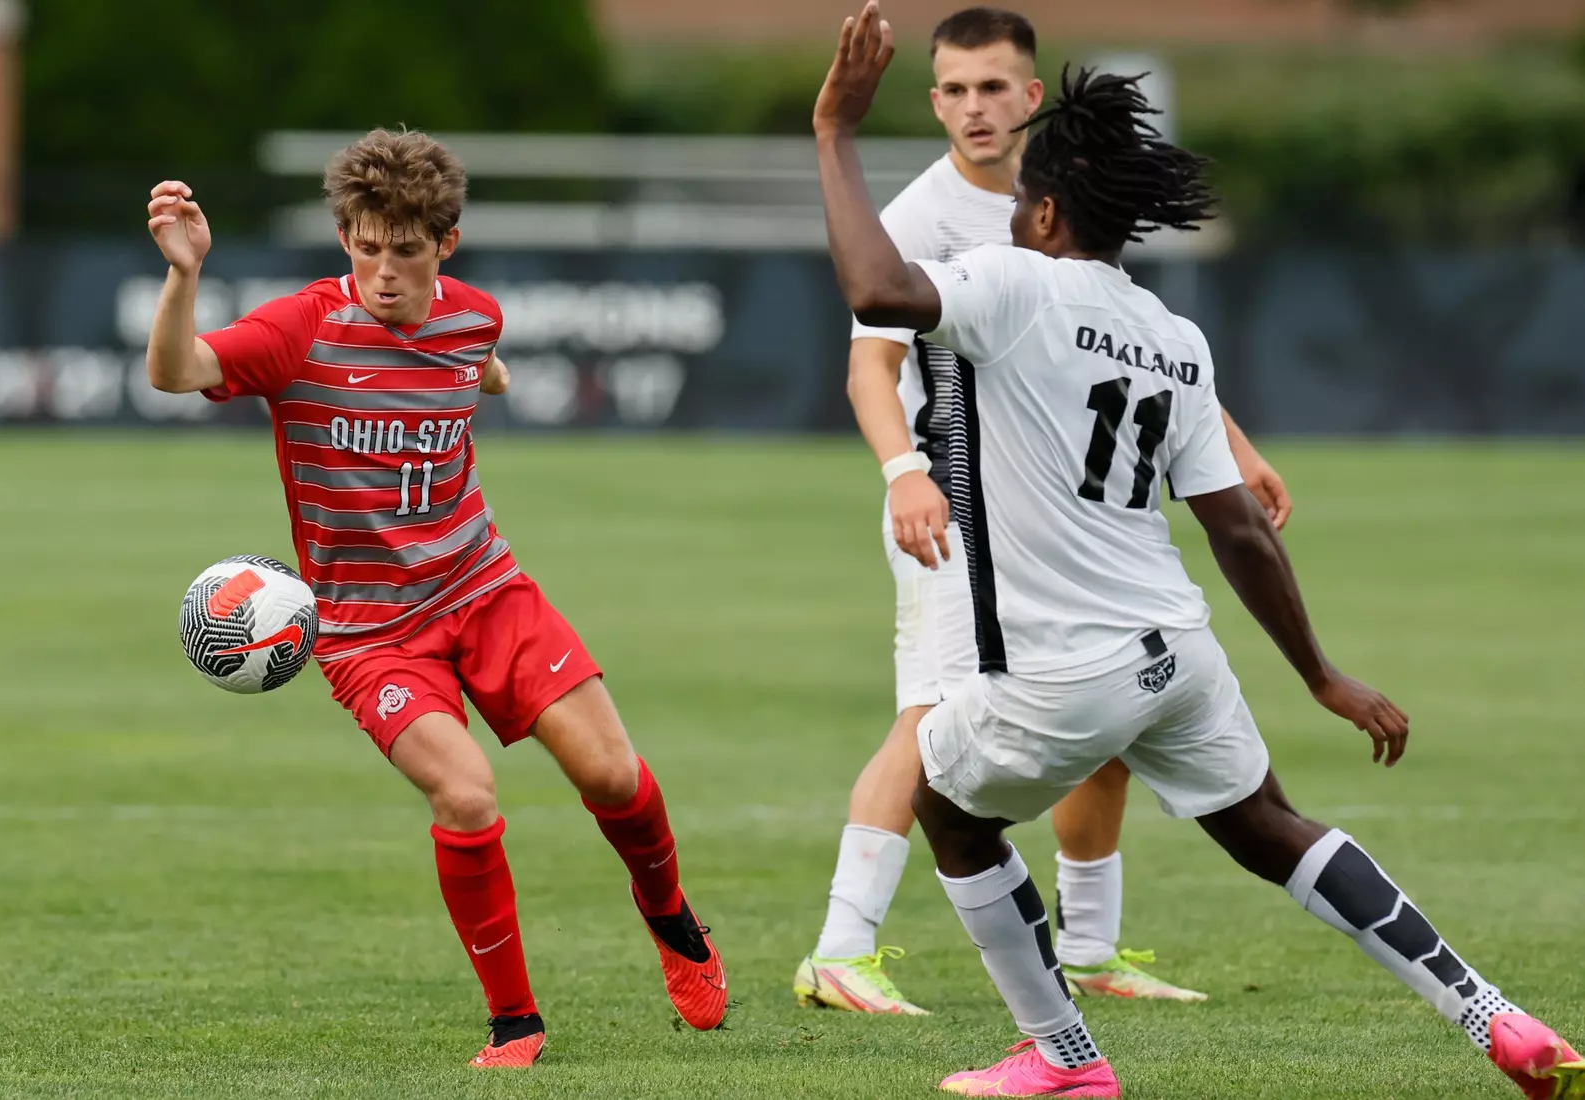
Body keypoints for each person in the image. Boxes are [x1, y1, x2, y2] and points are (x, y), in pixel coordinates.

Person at [812, 6, 1584, 1097]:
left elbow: (876, 292)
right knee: (1272, 825)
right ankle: (1494, 1014)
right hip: (1178, 651)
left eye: (1026, 197)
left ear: (1043, 213)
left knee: (947, 805)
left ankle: (1063, 1057)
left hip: (1058, 671)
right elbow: (1238, 528)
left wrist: (836, 133)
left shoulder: (1009, 283)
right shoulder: (1173, 336)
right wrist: (1320, 674)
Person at [142, 129, 727, 1071]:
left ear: (445, 244)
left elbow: (476, 362)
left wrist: (485, 374)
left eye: (406, 251)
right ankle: (515, 1022)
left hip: (484, 589)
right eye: (367, 247)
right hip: (368, 634)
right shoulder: (299, 330)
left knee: (613, 777)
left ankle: (673, 921)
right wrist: (185, 274)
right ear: (345, 237)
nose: (384, 272)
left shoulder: (475, 318)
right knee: (464, 793)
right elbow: (175, 372)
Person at [796, 5, 1290, 1016]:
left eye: (993, 87)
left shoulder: (1064, 197)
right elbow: (869, 367)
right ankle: (841, 948)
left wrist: (1234, 449)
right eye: (954, 90)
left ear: (1030, 95)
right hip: (954, 511)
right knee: (935, 711)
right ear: (935, 101)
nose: (974, 107)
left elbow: (1123, 341)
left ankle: (1092, 945)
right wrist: (903, 472)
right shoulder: (921, 218)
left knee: (1111, 711)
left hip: (1058, 514)